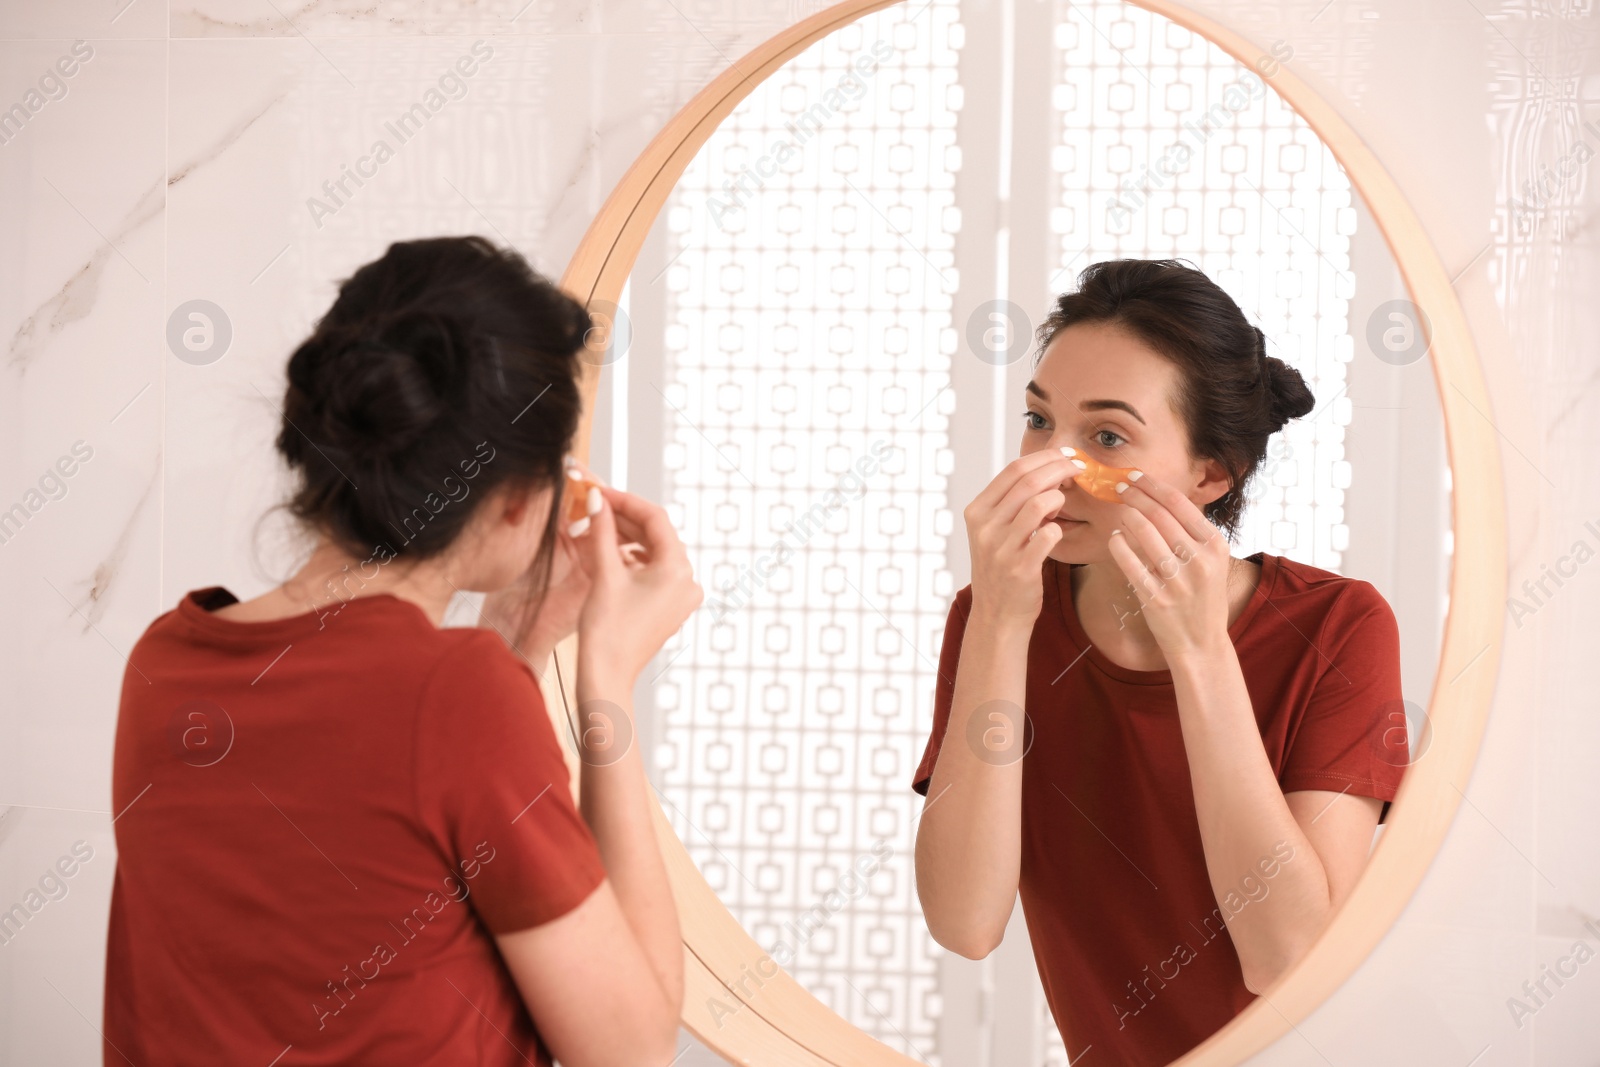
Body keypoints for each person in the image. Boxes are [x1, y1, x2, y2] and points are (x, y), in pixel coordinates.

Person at [103, 236, 699, 1066]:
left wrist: (520, 647)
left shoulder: (165, 662)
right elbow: (633, 1050)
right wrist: (607, 675)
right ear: (523, 501)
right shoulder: (460, 695)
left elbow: (398, 837)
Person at [912, 258, 1410, 1066]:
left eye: (1106, 436)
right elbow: (964, 922)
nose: (1050, 465)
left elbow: (1290, 960)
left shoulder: (1341, 625)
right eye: (1039, 421)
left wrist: (1200, 652)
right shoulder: (996, 616)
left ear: (1210, 474)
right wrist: (1002, 622)